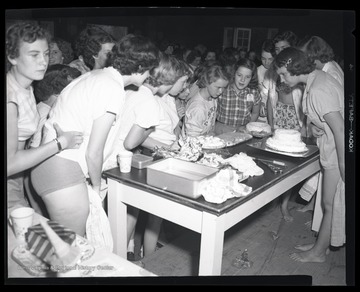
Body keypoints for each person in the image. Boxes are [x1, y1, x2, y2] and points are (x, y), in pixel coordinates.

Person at [30, 34, 160, 236]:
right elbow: (94, 151)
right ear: (140, 67)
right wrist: (97, 188)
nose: (150, 75)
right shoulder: (111, 88)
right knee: (73, 250)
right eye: (149, 69)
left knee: (62, 245)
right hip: (63, 172)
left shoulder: (95, 76)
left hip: (47, 165)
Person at [273, 47, 344, 262]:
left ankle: (319, 252)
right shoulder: (318, 78)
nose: (282, 78)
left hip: (336, 152)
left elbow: (340, 129)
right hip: (331, 146)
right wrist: (316, 127)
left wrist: (343, 164)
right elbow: (329, 118)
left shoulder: (318, 89)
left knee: (330, 204)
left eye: (283, 73)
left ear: (293, 66)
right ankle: (321, 244)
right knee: (331, 203)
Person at [6, 22, 83, 213]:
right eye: (34, 55)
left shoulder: (26, 87)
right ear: (12, 57)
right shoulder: (10, 99)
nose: (43, 61)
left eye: (47, 53)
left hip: (16, 185)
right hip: (9, 187)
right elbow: (9, 164)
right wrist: (61, 142)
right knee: (48, 240)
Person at [295, 35, 344, 218]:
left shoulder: (330, 74)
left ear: (313, 58)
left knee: (332, 201)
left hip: (335, 144)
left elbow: (336, 117)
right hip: (328, 138)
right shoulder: (326, 69)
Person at [267, 30, 304, 222]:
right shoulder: (275, 72)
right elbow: (270, 99)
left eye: (284, 48)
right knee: (275, 163)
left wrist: (303, 128)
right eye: (277, 49)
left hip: (295, 124)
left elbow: (304, 106)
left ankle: (284, 204)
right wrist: (272, 125)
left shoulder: (299, 73)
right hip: (279, 119)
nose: (279, 52)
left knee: (290, 167)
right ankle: (272, 197)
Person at [183, 63, 231, 137]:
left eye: (224, 88)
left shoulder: (213, 98)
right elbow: (192, 136)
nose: (221, 91)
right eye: (218, 87)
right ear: (206, 82)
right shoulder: (197, 107)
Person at [215, 58, 261, 135]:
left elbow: (255, 113)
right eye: (239, 75)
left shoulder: (254, 92)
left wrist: (247, 127)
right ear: (234, 73)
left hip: (242, 130)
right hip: (221, 129)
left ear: (252, 77)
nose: (242, 80)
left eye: (247, 77)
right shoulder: (223, 89)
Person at [257, 39, 276, 124]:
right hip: (261, 114)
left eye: (270, 59)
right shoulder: (257, 71)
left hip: (275, 115)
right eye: (263, 59)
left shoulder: (279, 72)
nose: (266, 62)